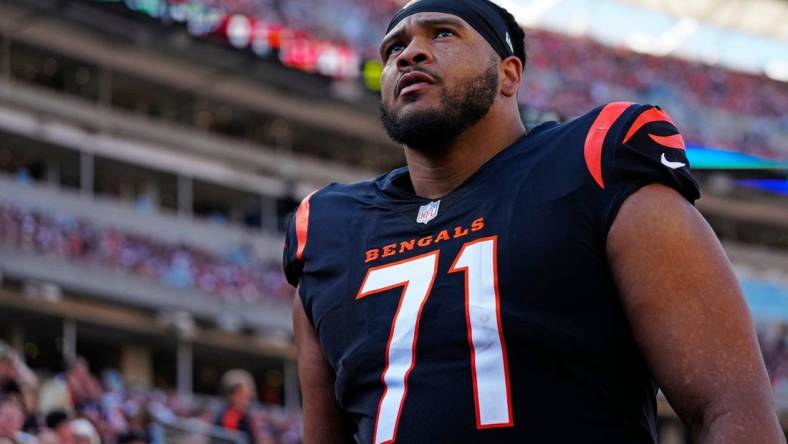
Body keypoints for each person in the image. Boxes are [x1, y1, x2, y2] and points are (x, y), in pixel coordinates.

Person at [284, 0, 783, 443]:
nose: (409, 53)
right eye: (394, 47)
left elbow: (730, 408)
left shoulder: (593, 165)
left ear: (509, 74)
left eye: (442, 34)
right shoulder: (326, 230)